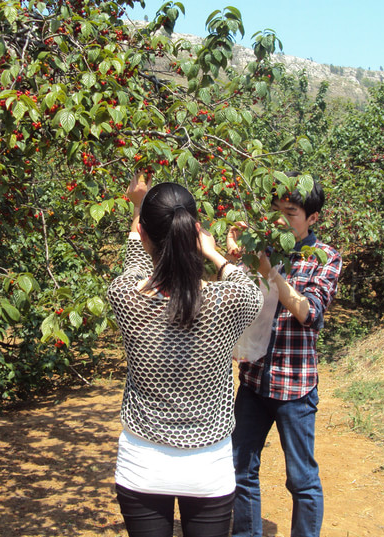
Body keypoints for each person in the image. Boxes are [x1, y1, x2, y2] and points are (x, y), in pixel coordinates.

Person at [107, 173, 263, 537]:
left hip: (142, 465)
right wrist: (212, 252)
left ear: (145, 235)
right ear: (194, 232)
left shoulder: (125, 296)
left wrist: (138, 207)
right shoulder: (228, 302)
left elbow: (136, 267)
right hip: (208, 468)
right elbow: (246, 288)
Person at [227, 173, 342, 537]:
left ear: (312, 219)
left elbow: (310, 314)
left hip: (295, 388)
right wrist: (235, 256)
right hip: (254, 381)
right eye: (276, 211)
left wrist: (270, 273)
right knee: (240, 469)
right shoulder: (263, 249)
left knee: (301, 479)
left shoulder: (324, 258)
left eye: (290, 213)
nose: (280, 220)